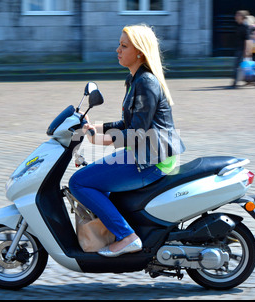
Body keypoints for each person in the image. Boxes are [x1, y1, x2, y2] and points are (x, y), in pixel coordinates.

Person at [69, 24, 185, 257]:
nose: (117, 50)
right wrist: (95, 127)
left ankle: (127, 236)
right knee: (93, 178)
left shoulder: (146, 83)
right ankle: (113, 231)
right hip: (145, 153)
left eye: (124, 46)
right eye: (119, 45)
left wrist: (101, 141)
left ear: (140, 52)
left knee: (79, 183)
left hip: (152, 160)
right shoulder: (135, 80)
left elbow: (136, 132)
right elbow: (127, 123)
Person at [230, 10, 253, 88]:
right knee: (243, 67)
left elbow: (248, 40)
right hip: (238, 48)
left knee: (237, 66)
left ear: (242, 17)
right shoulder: (238, 26)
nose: (235, 17)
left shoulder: (245, 27)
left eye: (238, 15)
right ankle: (249, 80)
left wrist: (247, 51)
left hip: (242, 49)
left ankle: (234, 83)